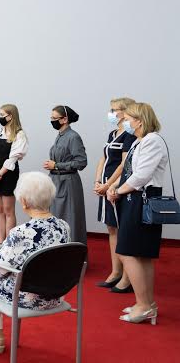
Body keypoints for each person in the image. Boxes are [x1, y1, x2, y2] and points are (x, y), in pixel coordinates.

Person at [0, 172, 70, 354]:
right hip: (55, 296)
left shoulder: (21, 233)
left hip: (28, 298)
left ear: (24, 202)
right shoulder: (64, 226)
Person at [107, 102, 167, 324]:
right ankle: (147, 304)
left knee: (129, 252)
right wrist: (115, 187)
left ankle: (144, 305)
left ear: (139, 121)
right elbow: (129, 172)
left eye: (128, 119)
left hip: (142, 200)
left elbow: (141, 176)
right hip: (133, 199)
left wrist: (118, 190)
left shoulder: (152, 140)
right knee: (140, 254)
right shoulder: (139, 141)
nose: (125, 122)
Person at [94, 97, 137, 292]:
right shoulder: (112, 134)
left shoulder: (129, 135)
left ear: (126, 112)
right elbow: (103, 158)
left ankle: (127, 277)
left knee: (121, 230)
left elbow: (123, 164)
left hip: (116, 188)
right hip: (105, 187)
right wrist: (98, 181)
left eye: (114, 110)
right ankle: (115, 272)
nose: (111, 113)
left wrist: (108, 184)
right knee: (111, 228)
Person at [43, 105, 88, 245]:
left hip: (68, 183)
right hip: (56, 181)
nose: (52, 121)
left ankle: (71, 254)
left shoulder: (73, 137)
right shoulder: (60, 135)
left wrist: (57, 165)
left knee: (69, 219)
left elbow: (81, 162)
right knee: (56, 219)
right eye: (51, 118)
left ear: (65, 119)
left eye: (54, 118)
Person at [0, 104, 28, 243]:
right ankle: (0, 243)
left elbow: (12, 159)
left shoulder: (19, 134)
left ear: (11, 116)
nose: (0, 117)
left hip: (8, 175)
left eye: (2, 115)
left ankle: (9, 244)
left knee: (8, 211)